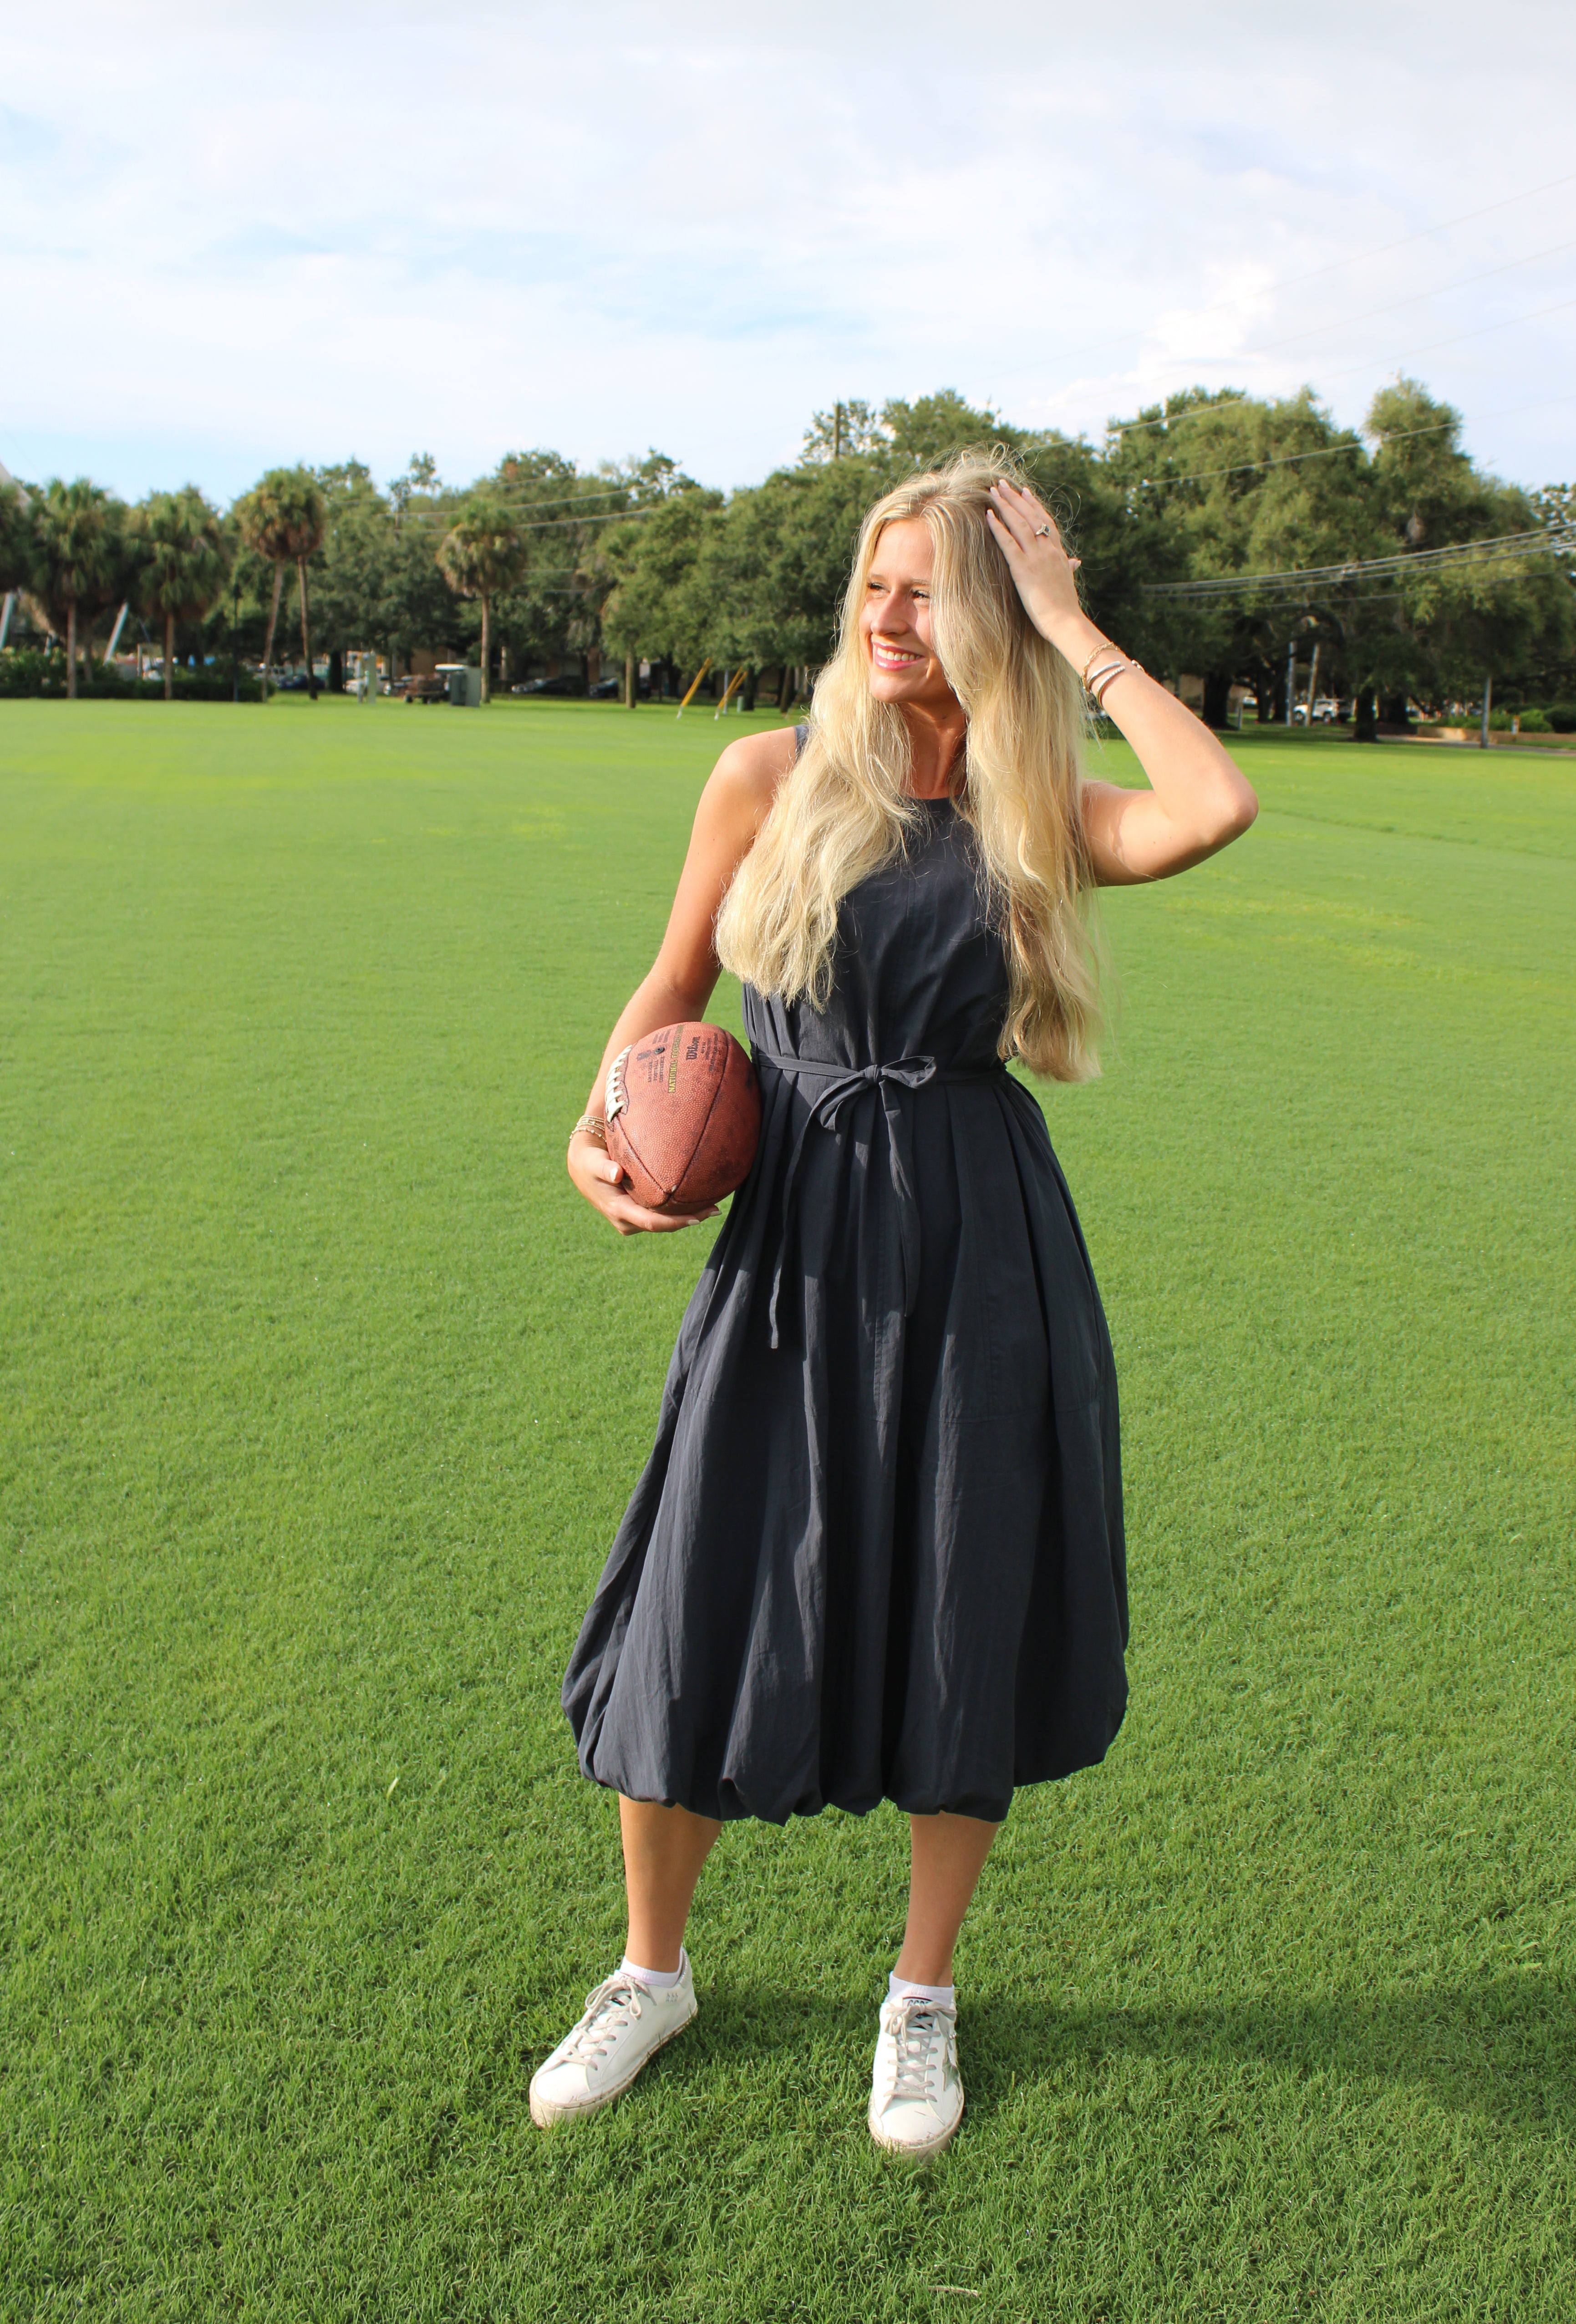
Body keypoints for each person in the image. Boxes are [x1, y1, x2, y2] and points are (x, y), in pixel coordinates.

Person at [532, 457, 1258, 2156]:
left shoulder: (1033, 814)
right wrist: (600, 1119)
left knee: (960, 1595)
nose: (890, 613)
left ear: (993, 616)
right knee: (707, 1588)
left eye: (932, 587)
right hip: (789, 1231)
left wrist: (1074, 625)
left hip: (981, 1243)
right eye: (876, 582)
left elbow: (1211, 805)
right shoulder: (765, 775)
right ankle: (652, 1970)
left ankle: (920, 1998)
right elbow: (674, 981)